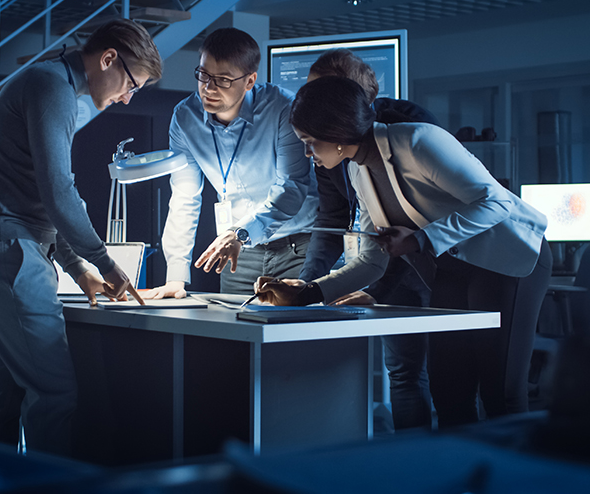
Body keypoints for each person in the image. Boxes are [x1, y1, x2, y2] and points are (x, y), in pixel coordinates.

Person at [257, 75, 552, 427]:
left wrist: (419, 240)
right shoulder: (357, 170)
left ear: (336, 135)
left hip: (509, 258)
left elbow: (497, 202)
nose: (308, 153)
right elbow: (372, 259)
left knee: (500, 393)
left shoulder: (418, 141)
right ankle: (462, 480)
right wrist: (308, 292)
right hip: (454, 268)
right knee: (450, 394)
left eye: (310, 142)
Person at [0, 18, 162, 456]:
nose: (127, 98)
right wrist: (103, 262)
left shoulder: (50, 81)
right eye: (131, 84)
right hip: (8, 251)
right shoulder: (53, 89)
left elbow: (44, 192)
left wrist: (77, 268)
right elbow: (57, 190)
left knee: (4, 392)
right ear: (108, 59)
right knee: (56, 395)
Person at [297, 49, 438, 431]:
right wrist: (307, 285)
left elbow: (420, 220)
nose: (312, 104)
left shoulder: (408, 128)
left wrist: (377, 288)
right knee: (403, 372)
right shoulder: (323, 142)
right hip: (372, 260)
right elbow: (332, 217)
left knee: (430, 374)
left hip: (424, 262)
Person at [146, 27, 318, 297]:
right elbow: (184, 196)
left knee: (296, 334)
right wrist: (175, 277)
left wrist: (241, 233)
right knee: (236, 333)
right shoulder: (185, 117)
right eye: (203, 75)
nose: (209, 88)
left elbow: (292, 186)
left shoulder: (283, 109)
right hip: (238, 252)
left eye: (223, 80)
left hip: (297, 248)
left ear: (249, 81)